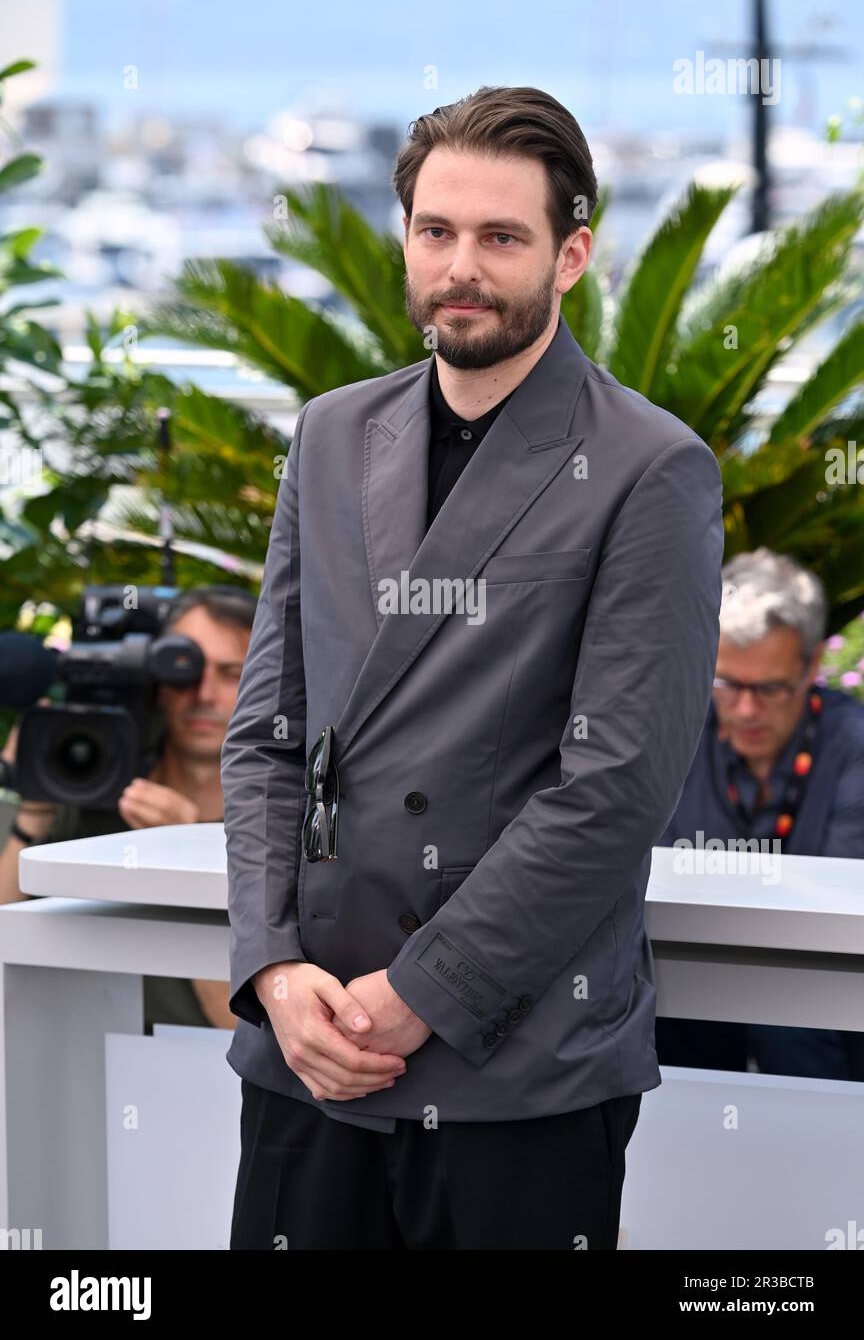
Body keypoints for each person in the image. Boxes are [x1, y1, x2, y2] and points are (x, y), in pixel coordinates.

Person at [222, 84, 725, 1252]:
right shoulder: (332, 431)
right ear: (404, 238)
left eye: (502, 237)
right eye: (436, 231)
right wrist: (274, 968)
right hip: (309, 1052)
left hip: (518, 1066)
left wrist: (418, 997)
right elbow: (267, 737)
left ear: (572, 255)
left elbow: (613, 792)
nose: (463, 266)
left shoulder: (652, 468)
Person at [0, 585, 255, 1033]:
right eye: (182, 668)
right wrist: (33, 816)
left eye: (232, 673)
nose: (203, 693)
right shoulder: (91, 789)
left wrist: (191, 860)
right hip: (79, 1077)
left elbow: (248, 1038)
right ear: (155, 680)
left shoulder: (287, 823)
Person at [656, 548, 864, 1079]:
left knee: (795, 1020)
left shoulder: (852, 745)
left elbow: (837, 909)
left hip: (824, 997)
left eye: (770, 689)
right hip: (689, 985)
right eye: (727, 683)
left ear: (812, 666)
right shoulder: (673, 733)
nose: (746, 710)